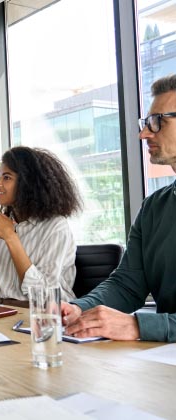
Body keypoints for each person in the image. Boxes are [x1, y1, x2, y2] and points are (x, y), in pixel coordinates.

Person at [62, 75, 176, 343]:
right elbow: (127, 285)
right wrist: (80, 308)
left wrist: (138, 326)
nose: (144, 133)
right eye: (146, 123)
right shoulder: (154, 208)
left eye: (158, 121)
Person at [0, 146, 82, 304]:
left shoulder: (55, 227)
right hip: (6, 313)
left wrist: (11, 237)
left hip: (46, 317)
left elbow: (43, 295)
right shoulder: (3, 224)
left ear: (27, 182)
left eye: (6, 177)